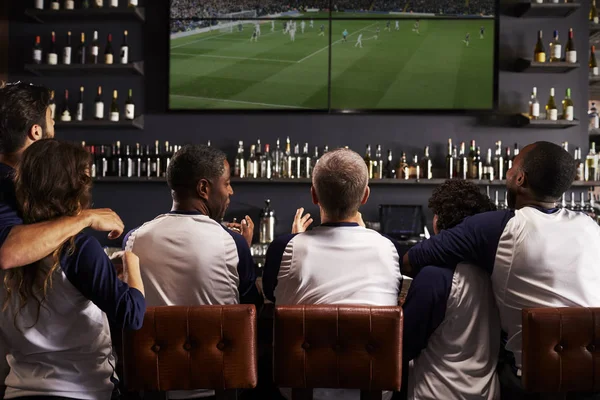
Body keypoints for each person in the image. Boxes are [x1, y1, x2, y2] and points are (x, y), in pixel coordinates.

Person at [403, 141, 600, 398]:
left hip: (536, 384)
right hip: (595, 376)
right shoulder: (590, 227)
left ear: (520, 178)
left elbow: (411, 259)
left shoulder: (499, 227)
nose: (507, 173)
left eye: (511, 167)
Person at [0, 139, 146, 400]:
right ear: (76, 186)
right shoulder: (80, 248)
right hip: (83, 390)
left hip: (17, 391)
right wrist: (131, 264)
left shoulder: (12, 244)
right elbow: (132, 315)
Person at [124, 144, 263, 399]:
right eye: (227, 183)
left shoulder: (134, 240)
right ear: (203, 189)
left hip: (154, 385)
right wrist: (243, 247)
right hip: (219, 385)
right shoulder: (232, 243)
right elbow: (251, 311)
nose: (231, 191)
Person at [263, 148, 402, 400]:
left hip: (299, 389)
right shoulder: (387, 247)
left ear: (314, 195)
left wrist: (295, 238)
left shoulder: (286, 247)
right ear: (365, 196)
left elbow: (273, 300)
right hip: (372, 388)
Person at [0, 81, 124, 271]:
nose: (54, 124)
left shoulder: (19, 178)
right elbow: (8, 252)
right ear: (36, 131)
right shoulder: (4, 183)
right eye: (51, 119)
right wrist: (84, 218)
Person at [403, 180, 500, 400]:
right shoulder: (496, 272)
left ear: (437, 221)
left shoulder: (434, 277)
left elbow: (403, 345)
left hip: (436, 394)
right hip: (488, 393)